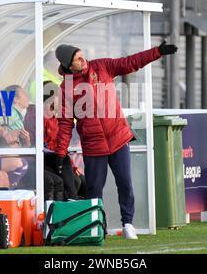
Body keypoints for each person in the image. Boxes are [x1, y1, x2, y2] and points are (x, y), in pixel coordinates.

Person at [54, 42, 178, 239]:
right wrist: (60, 153)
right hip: (94, 146)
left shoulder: (101, 66)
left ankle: (128, 224)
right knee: (94, 189)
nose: (83, 59)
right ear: (69, 65)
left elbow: (130, 62)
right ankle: (97, 226)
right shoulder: (66, 89)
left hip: (118, 138)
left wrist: (157, 52)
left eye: (82, 54)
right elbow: (65, 124)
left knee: (125, 183)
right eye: (77, 58)